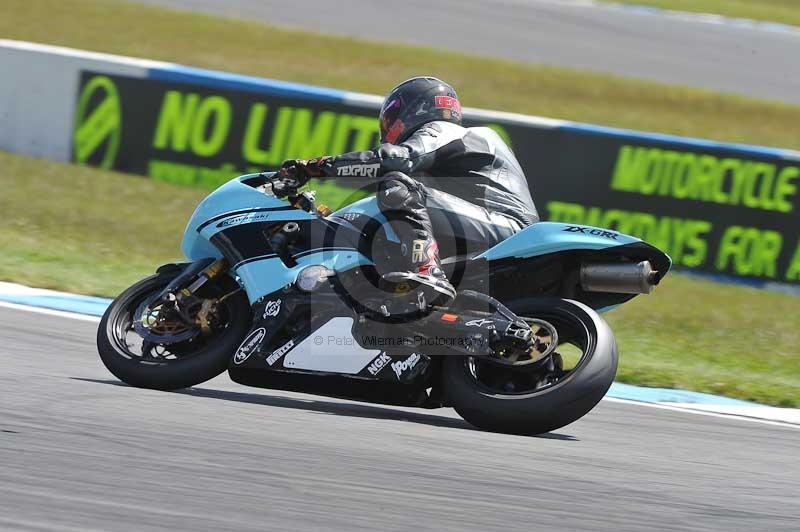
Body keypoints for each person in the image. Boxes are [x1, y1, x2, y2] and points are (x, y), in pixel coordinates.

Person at [278, 76, 538, 309]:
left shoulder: (448, 131)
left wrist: (316, 167)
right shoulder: (449, 156)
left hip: (506, 227)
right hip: (486, 227)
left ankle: (426, 271)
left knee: (396, 185)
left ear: (417, 108)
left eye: (391, 117)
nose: (387, 128)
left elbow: (398, 159)